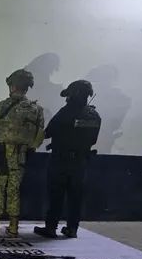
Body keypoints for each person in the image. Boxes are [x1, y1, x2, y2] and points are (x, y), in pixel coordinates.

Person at [0, 69, 45, 238]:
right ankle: (14, 227)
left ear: (13, 86)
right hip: (21, 156)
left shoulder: (3, 106)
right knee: (14, 191)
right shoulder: (37, 109)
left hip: (0, 154)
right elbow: (38, 138)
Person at [34, 80, 101, 239]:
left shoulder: (66, 112)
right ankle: (72, 229)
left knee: (56, 194)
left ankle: (51, 228)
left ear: (75, 94)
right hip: (80, 162)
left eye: (69, 95)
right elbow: (93, 140)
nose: (67, 99)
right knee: (75, 196)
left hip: (60, 160)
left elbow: (48, 132)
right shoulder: (94, 115)